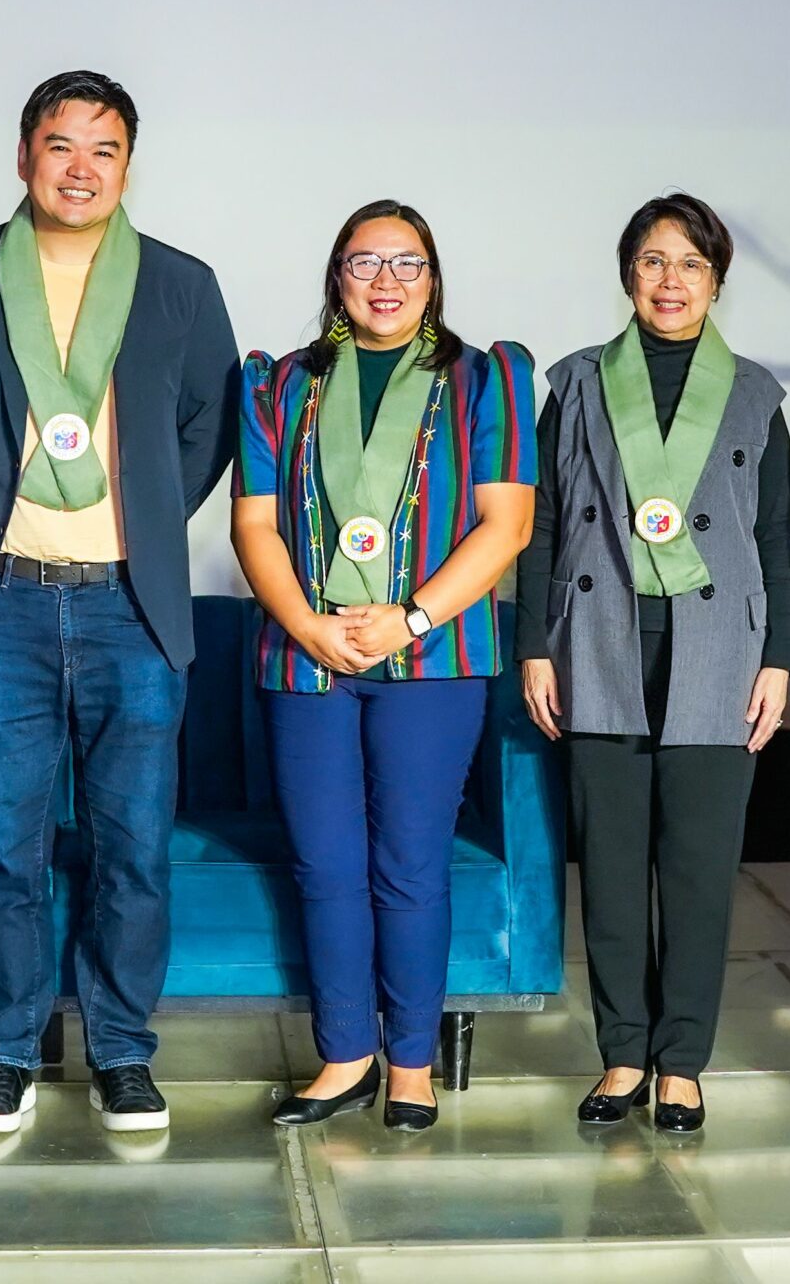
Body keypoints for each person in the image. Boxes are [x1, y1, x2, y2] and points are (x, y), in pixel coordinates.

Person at [0, 70, 240, 1134]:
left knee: (132, 845)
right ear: (22, 156)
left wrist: (132, 513)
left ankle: (125, 1050)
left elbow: (209, 424)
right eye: (59, 145)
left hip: (129, 609)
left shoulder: (180, 283)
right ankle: (3, 1049)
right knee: (4, 845)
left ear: (127, 165)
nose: (80, 167)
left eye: (102, 148)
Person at [231, 200, 534, 1133]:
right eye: (366, 263)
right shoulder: (278, 384)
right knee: (324, 865)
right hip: (307, 656)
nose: (387, 281)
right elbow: (252, 523)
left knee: (410, 865)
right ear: (337, 278)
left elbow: (507, 522)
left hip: (434, 656)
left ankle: (411, 1062)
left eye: (408, 264)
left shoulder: (483, 379)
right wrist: (307, 625)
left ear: (433, 278)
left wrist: (408, 619)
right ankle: (344, 1057)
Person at [515, 194, 790, 1135]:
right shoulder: (582, 384)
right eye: (651, 261)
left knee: (699, 871)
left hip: (719, 652)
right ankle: (623, 1055)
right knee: (612, 872)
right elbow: (546, 523)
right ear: (627, 273)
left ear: (717, 280)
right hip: (599, 647)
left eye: (690, 264)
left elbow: (778, 537)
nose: (669, 281)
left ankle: (683, 1063)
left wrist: (781, 660)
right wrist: (533, 647)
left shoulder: (757, 393)